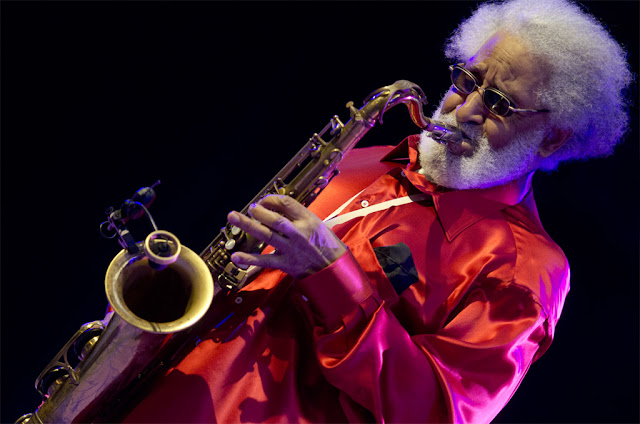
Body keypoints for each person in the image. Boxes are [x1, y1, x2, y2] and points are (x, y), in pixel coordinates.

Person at [122, 0, 632, 422]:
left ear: (554, 138)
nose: (466, 109)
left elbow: (437, 411)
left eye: (499, 103)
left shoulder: (526, 269)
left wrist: (331, 277)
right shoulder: (363, 160)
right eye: (466, 80)